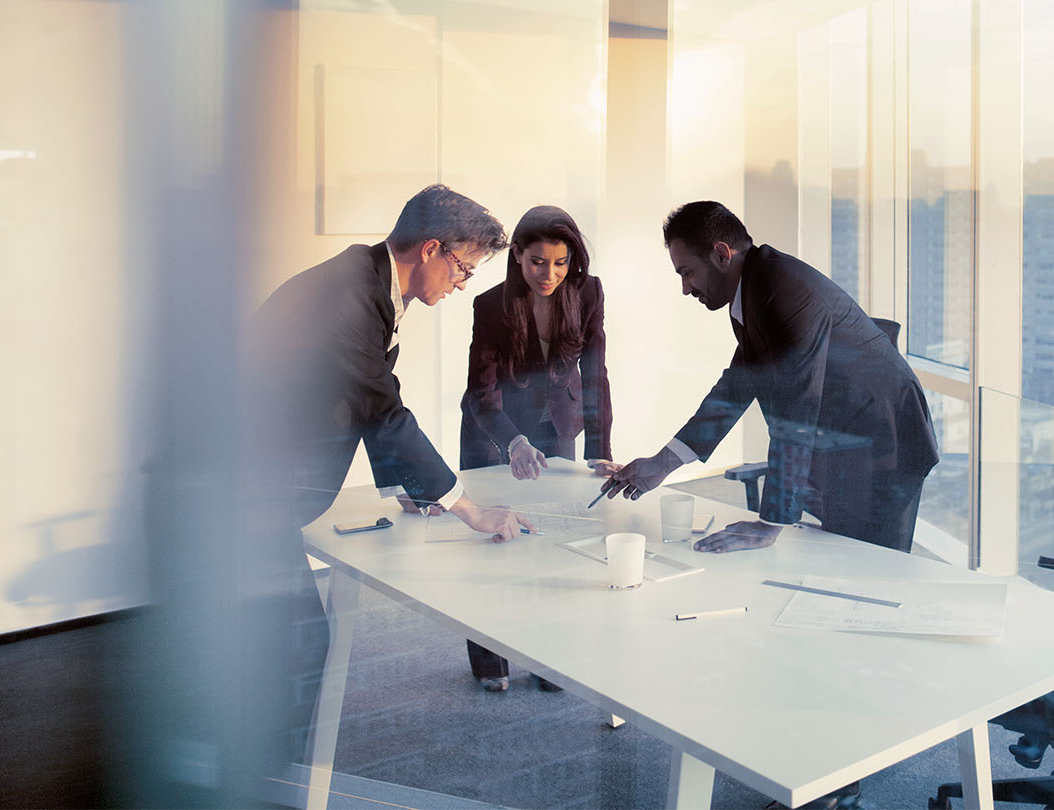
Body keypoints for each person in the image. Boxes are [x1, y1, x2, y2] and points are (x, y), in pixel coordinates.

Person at [244, 184, 536, 771]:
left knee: (284, 644)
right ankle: (270, 779)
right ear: (430, 249)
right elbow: (383, 411)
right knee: (296, 645)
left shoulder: (367, 284)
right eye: (463, 269)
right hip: (236, 495)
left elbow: (371, 395)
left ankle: (268, 770)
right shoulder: (348, 297)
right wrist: (468, 509)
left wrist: (408, 487)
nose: (462, 284)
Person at [603, 200, 938, 554]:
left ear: (721, 254)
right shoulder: (752, 291)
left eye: (687, 272)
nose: (686, 288)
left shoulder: (785, 292)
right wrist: (663, 463)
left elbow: (795, 410)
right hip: (843, 433)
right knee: (836, 556)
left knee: (867, 566)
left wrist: (769, 524)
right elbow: (735, 388)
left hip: (883, 439)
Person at [457, 204, 619, 691]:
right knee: (492, 546)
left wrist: (599, 447)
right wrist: (513, 442)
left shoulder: (588, 292)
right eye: (536, 262)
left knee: (554, 542)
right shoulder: (489, 306)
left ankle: (551, 656)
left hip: (558, 423)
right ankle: (490, 661)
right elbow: (480, 391)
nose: (548, 273)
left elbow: (596, 372)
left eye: (560, 262)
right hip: (495, 430)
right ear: (518, 258)